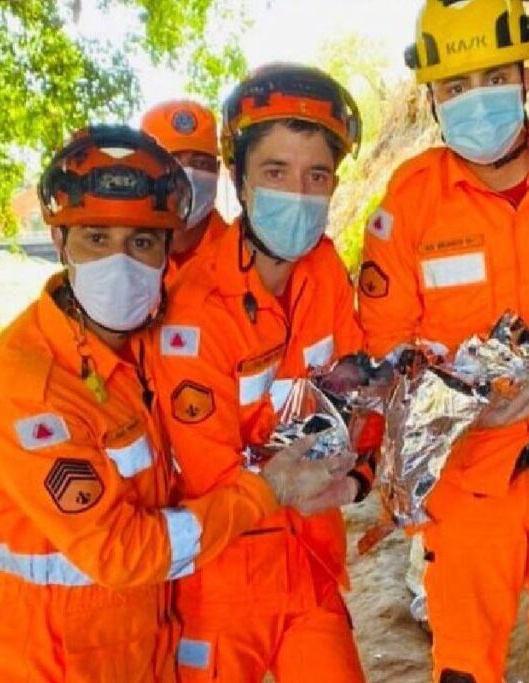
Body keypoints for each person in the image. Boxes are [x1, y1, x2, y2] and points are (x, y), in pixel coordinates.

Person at [0, 125, 350, 682]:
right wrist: (267, 489)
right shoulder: (28, 389)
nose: (121, 261)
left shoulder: (132, 351)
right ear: (60, 242)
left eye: (143, 241)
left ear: (166, 254)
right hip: (37, 658)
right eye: (96, 238)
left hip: (133, 645)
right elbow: (122, 553)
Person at [357, 1, 529, 681]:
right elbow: (385, 350)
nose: (476, 100)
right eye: (456, 87)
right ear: (431, 99)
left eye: (491, 78)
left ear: (523, 73)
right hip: (469, 476)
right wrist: (460, 400)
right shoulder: (409, 204)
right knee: (463, 668)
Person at [145, 64, 372, 683]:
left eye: (316, 175)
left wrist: (359, 479)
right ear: (240, 180)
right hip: (222, 590)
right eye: (276, 172)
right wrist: (302, 472)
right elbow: (210, 478)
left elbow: (358, 395)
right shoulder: (193, 312)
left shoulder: (324, 269)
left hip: (312, 565)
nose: (298, 193)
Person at [141, 99, 230, 272]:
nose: (188, 174)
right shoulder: (125, 253)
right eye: (172, 161)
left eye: (201, 163)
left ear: (217, 171)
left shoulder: (243, 255)